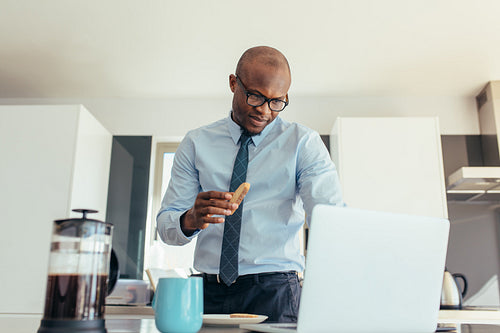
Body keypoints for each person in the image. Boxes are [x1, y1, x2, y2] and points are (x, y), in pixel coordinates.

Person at [156, 46, 344, 322]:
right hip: (207, 292)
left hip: (276, 292)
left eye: (276, 101)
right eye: (255, 96)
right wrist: (191, 218)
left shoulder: (303, 143)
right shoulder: (196, 143)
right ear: (234, 83)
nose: (265, 111)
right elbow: (166, 227)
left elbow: (330, 217)